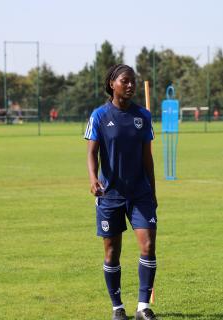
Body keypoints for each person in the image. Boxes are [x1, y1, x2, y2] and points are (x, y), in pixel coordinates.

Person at [85, 64, 158, 320]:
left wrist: (153, 192)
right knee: (111, 252)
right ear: (112, 84)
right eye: (125, 81)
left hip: (140, 194)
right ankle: (117, 308)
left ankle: (143, 307)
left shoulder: (143, 116)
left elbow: (147, 158)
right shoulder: (100, 116)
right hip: (110, 195)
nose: (131, 85)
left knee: (148, 246)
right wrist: (94, 179)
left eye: (133, 81)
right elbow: (92, 153)